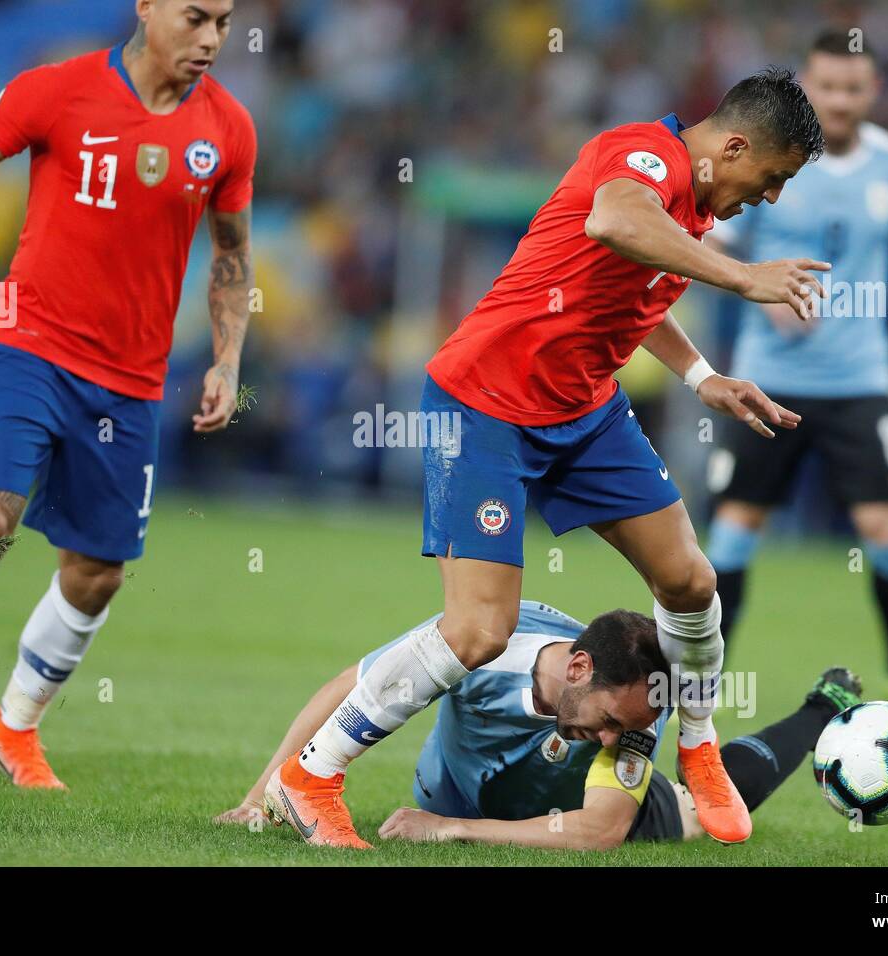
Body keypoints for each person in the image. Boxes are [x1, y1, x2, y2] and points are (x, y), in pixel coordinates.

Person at [267, 67, 830, 848]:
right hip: (487, 403)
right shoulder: (644, 158)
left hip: (585, 408)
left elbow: (635, 295)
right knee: (478, 632)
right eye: (771, 179)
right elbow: (613, 222)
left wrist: (703, 378)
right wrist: (743, 278)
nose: (769, 198)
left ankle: (698, 744)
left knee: (691, 579)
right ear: (734, 145)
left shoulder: (692, 211)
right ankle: (311, 775)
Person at [0, 0, 254, 788]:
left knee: (97, 572)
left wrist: (229, 360)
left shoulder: (229, 129)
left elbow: (232, 255)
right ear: (147, 6)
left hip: (130, 384)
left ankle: (13, 730)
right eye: (197, 18)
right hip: (28, 350)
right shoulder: (59, 90)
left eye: (226, 24)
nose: (211, 40)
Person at [704, 31, 888, 731]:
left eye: (854, 88)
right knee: (733, 532)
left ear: (873, 92)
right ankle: (709, 676)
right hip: (765, 378)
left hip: (858, 379)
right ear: (806, 88)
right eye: (828, 88)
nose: (841, 101)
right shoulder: (774, 160)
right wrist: (756, 288)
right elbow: (710, 244)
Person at [218, 601, 863, 850]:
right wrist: (258, 797)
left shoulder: (639, 707)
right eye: (610, 722)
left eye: (628, 730)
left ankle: (820, 710)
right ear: (577, 667)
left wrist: (454, 829)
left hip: (540, 813)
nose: (616, 740)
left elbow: (598, 831)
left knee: (695, 814)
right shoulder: (483, 636)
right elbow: (349, 690)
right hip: (452, 784)